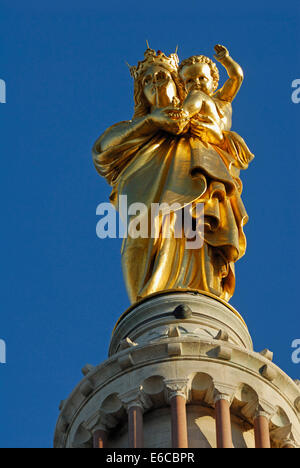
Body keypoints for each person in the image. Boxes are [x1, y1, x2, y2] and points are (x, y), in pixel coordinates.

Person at [93, 47, 253, 304]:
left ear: (178, 85)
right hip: (143, 202)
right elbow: (102, 151)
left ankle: (200, 297)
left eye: (162, 77)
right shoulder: (134, 130)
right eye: (147, 81)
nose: (155, 83)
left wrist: (203, 129)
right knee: (140, 237)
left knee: (194, 234)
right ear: (141, 94)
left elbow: (223, 136)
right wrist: (151, 123)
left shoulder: (193, 116)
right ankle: (142, 306)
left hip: (193, 191)